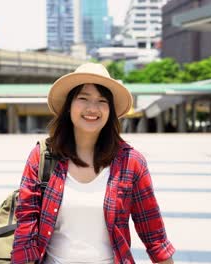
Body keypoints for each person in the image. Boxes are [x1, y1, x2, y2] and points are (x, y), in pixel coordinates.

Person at [11, 63, 175, 264]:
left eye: (102, 100)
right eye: (83, 98)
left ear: (110, 110)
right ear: (69, 105)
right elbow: (25, 227)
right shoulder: (43, 156)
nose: (92, 108)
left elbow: (154, 235)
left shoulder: (131, 162)